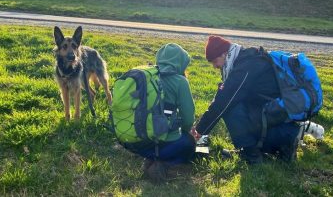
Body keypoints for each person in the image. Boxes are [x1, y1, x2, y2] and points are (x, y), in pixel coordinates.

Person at [191, 35, 302, 164]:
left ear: (225, 53)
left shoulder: (245, 67)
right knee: (234, 104)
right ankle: (284, 145)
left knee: (230, 109)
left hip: (274, 115)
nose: (215, 67)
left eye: (215, 61)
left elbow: (223, 102)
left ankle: (252, 154)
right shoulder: (246, 58)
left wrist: (199, 130)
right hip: (277, 113)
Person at [122, 43, 196, 182]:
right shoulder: (180, 82)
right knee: (189, 143)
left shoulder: (146, 76)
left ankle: (150, 158)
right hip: (163, 145)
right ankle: (163, 164)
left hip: (137, 144)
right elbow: (188, 119)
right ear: (181, 63)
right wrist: (186, 132)